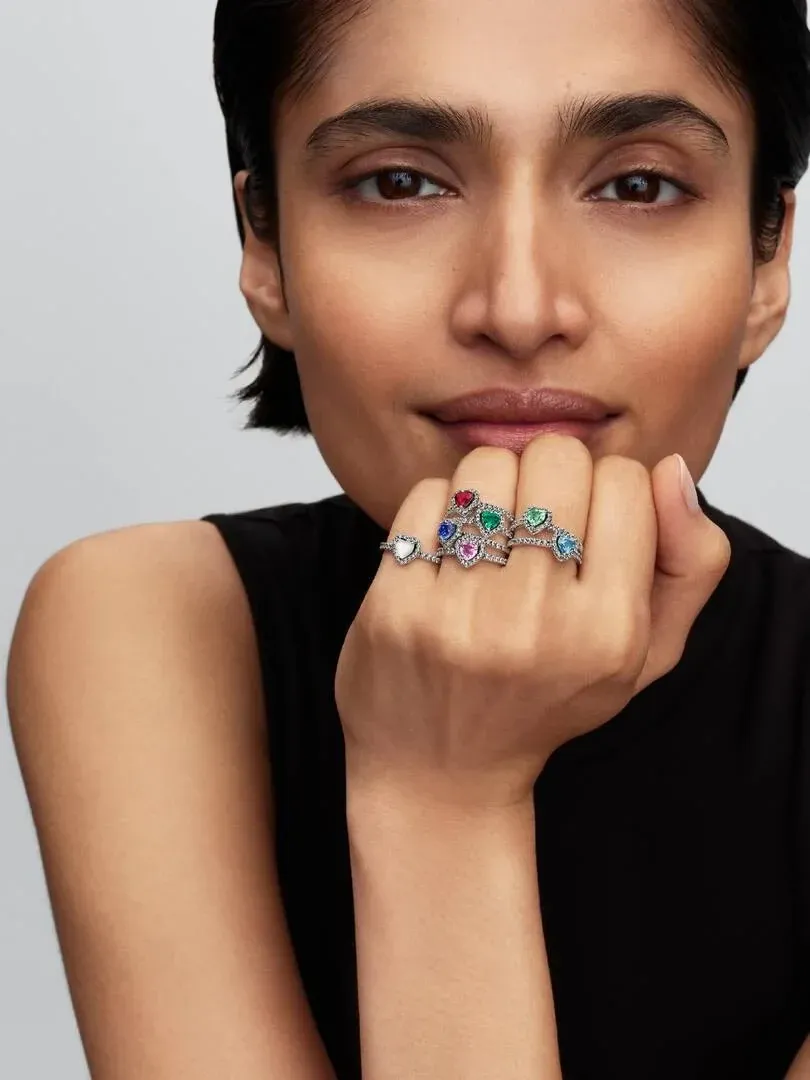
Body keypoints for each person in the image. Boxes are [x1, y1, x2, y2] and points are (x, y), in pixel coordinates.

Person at [7, 0, 810, 1077]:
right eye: (401, 182)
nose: (521, 307)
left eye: (637, 185)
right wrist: (433, 791)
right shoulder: (153, 629)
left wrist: (449, 786)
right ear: (266, 246)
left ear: (766, 260)